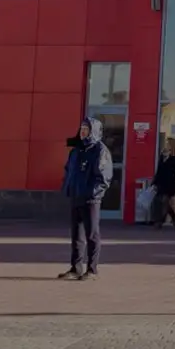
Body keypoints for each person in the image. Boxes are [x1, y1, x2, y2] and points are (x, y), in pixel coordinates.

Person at [60, 117, 114, 280]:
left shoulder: (100, 150)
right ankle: (75, 268)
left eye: (86, 129)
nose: (83, 132)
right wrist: (68, 187)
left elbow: (103, 177)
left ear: (93, 131)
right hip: (75, 196)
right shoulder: (76, 150)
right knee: (77, 235)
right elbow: (68, 170)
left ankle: (92, 269)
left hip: (90, 199)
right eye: (82, 128)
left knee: (92, 234)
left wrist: (93, 193)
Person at [151, 138, 175, 227]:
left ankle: (160, 221)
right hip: (161, 181)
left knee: (165, 200)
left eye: (168, 143)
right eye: (166, 143)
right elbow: (159, 169)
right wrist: (154, 181)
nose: (166, 145)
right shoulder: (162, 155)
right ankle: (174, 218)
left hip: (170, 182)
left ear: (172, 145)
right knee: (159, 201)